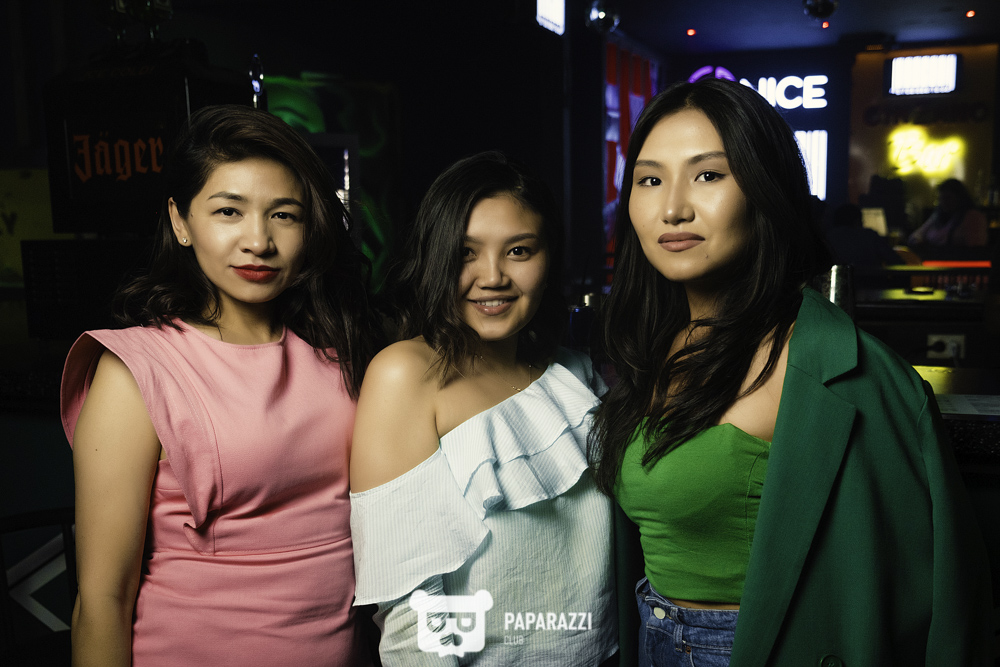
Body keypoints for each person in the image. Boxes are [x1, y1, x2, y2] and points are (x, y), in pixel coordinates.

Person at [588, 77, 993, 667]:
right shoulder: (651, 347)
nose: (672, 207)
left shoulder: (839, 369)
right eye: (650, 179)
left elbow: (934, 599)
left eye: (708, 175)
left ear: (765, 189)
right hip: (652, 635)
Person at [61, 105, 381, 666]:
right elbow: (103, 600)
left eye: (284, 215)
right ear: (181, 221)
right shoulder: (139, 369)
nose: (258, 240)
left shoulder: (343, 352)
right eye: (229, 211)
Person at [350, 151, 618, 665]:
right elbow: (410, 615)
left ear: (549, 258)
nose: (492, 276)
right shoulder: (405, 374)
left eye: (518, 250)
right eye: (466, 253)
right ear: (435, 259)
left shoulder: (573, 371)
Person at [907, 177, 989, 246]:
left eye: (947, 198)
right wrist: (919, 242)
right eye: (940, 199)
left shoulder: (973, 217)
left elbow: (976, 248)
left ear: (960, 198)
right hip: (933, 258)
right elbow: (916, 235)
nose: (943, 202)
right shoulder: (937, 216)